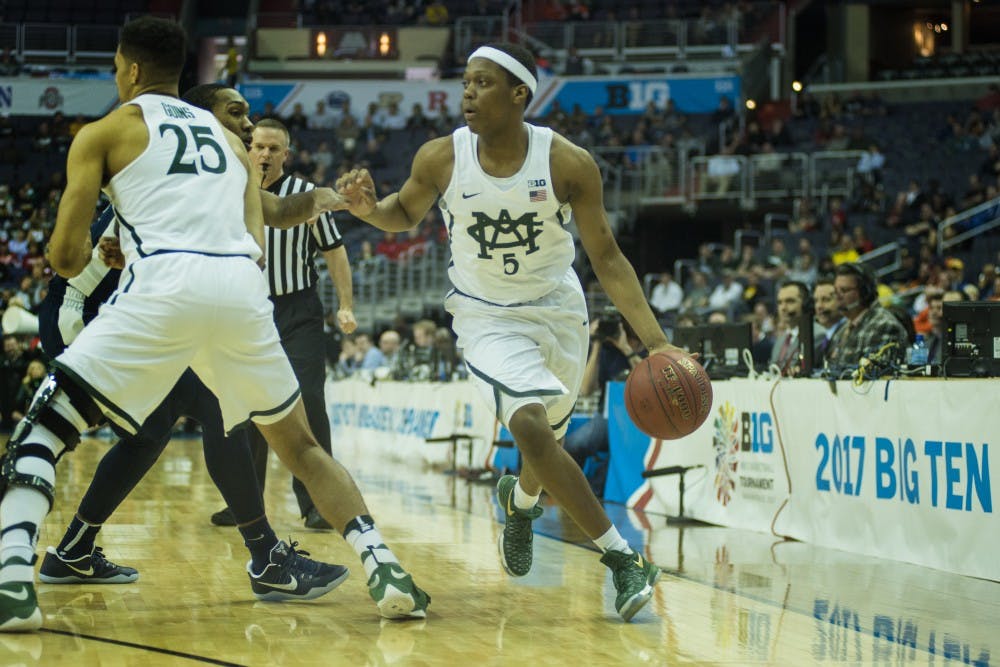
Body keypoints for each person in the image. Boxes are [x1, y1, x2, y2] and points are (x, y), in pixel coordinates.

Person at [0, 18, 428, 632]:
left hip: (167, 289)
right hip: (242, 296)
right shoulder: (230, 143)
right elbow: (274, 211)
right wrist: (335, 198)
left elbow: (65, 260)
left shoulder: (105, 131)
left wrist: (95, 247)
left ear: (130, 69)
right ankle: (383, 566)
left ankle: (15, 581)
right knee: (301, 446)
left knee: (43, 430)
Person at [336, 42, 684, 622]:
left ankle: (520, 506)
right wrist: (370, 210)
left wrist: (657, 342)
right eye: (465, 83)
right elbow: (402, 213)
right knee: (528, 422)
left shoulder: (568, 162)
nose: (467, 93)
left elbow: (608, 257)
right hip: (486, 314)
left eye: (482, 83)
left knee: (544, 440)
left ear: (520, 93)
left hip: (558, 309)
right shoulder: (442, 157)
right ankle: (623, 559)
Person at [35, 85, 347, 601]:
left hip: (152, 321)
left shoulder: (218, 172)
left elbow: (274, 209)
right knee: (207, 417)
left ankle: (73, 549)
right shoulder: (173, 164)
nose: (248, 126)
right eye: (235, 113)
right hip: (86, 315)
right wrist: (107, 252)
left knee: (187, 422)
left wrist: (326, 198)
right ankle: (265, 557)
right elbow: (76, 260)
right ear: (199, 120)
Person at [210, 118, 356, 530]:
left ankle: (318, 504)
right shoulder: (229, 190)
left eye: (274, 149)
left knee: (309, 399)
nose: (265, 154)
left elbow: (335, 252)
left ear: (286, 155)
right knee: (249, 408)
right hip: (246, 309)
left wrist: (345, 304)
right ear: (247, 148)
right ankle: (246, 504)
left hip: (298, 312)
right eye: (258, 146)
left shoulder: (304, 196)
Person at [825, 263, 908, 370]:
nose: (838, 296)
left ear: (864, 292)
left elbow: (871, 375)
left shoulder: (884, 325)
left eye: (844, 290)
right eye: (836, 291)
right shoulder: (842, 329)